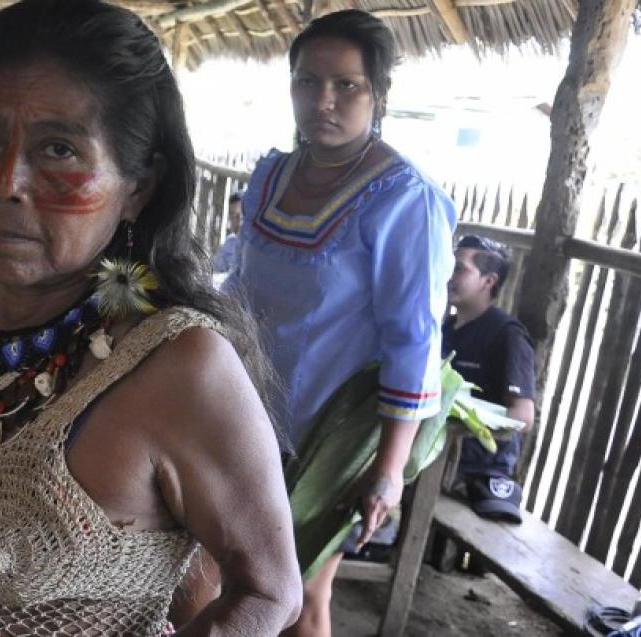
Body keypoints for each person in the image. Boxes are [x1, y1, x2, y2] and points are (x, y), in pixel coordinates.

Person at [0, 0, 303, 634]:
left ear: (138, 187)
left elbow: (268, 593)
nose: (5, 181)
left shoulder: (176, 363)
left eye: (59, 148)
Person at [221, 10, 456, 636]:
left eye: (346, 85)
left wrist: (385, 473)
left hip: (327, 437)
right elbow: (241, 284)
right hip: (245, 412)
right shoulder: (272, 174)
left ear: (378, 94)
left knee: (298, 593)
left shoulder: (405, 199)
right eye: (307, 81)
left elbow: (414, 339)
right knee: (230, 578)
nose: (322, 100)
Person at [444, 234, 535, 524]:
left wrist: (454, 427)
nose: (449, 275)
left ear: (488, 281)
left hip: (472, 473)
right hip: (432, 460)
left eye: (459, 269)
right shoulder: (445, 328)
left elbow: (523, 417)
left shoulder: (507, 336)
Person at [212, 191, 243, 274]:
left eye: (239, 216)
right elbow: (216, 273)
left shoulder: (257, 248)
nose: (235, 222)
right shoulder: (229, 244)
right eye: (232, 216)